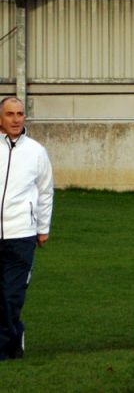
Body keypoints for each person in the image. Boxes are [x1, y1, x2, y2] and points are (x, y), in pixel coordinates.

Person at [0, 98, 52, 361]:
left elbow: (45, 191)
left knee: (11, 295)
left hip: (22, 235)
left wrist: (43, 228)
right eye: (10, 114)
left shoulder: (36, 151)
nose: (16, 119)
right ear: (0, 118)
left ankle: (4, 348)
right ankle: (14, 335)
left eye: (20, 114)